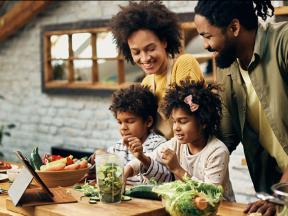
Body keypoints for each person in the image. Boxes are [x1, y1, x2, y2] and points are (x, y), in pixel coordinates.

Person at [194, 0, 288, 215]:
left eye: (208, 36)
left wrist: (281, 193)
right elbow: (225, 138)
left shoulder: (283, 42)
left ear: (234, 27)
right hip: (278, 185)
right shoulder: (230, 69)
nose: (206, 46)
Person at [125, 79, 235, 201]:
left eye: (183, 121)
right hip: (190, 209)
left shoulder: (217, 151)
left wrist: (177, 169)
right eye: (174, 121)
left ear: (203, 121)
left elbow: (210, 194)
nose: (176, 128)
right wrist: (126, 171)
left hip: (220, 210)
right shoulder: (176, 144)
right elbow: (150, 157)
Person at [110, 1, 204, 139]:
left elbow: (190, 120)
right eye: (136, 52)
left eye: (150, 49)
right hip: (161, 157)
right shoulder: (147, 83)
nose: (145, 58)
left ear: (164, 42)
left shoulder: (184, 64)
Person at [107, 84, 166, 185]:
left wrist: (142, 157)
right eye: (119, 122)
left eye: (130, 121)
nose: (123, 127)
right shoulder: (119, 146)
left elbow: (165, 177)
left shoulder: (159, 145)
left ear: (148, 122)